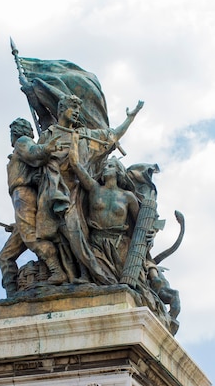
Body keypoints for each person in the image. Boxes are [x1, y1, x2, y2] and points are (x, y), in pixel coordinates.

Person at [35, 94, 144, 283]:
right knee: (54, 237)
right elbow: (35, 159)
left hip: (81, 192)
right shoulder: (49, 135)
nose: (76, 113)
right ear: (61, 110)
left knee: (76, 234)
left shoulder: (85, 135)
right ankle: (67, 274)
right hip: (53, 191)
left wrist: (130, 118)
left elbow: (112, 136)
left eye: (78, 110)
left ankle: (89, 276)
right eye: (73, 109)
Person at [0, 118, 66, 296]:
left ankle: (57, 271)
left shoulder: (22, 142)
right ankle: (12, 295)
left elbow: (33, 152)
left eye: (12, 131)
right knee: (5, 256)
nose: (11, 136)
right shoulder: (17, 151)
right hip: (22, 198)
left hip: (23, 195)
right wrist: (17, 225)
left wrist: (46, 148)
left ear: (17, 132)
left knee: (31, 238)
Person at [68, 132, 139, 282]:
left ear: (118, 171)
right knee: (102, 278)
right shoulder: (95, 189)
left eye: (111, 166)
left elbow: (138, 225)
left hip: (120, 245)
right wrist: (73, 139)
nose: (106, 168)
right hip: (97, 243)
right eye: (105, 166)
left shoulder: (128, 197)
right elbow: (75, 164)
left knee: (121, 282)